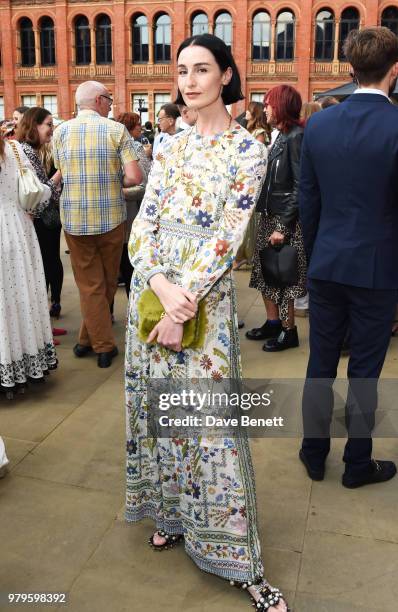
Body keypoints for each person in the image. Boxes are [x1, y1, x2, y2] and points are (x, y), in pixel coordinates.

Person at [125, 33, 287, 612]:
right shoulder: (168, 147)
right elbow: (142, 229)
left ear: (226, 76)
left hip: (202, 311)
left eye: (202, 69)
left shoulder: (248, 151)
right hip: (155, 302)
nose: (189, 81)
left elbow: (227, 237)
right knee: (159, 415)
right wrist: (163, 294)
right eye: (182, 71)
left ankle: (240, 560)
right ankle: (172, 516)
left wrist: (182, 304)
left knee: (210, 429)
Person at [298, 26, 398, 489]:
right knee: (365, 370)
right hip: (377, 267)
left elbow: (309, 200)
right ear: (393, 71)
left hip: (328, 262)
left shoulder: (319, 123)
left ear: (351, 70)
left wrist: (317, 256)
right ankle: (358, 463)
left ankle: (313, 451)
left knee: (321, 360)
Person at [52, 81, 142, 368]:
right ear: (99, 100)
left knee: (94, 284)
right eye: (109, 99)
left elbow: (62, 170)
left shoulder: (61, 131)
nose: (111, 104)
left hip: (75, 220)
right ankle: (103, 346)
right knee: (101, 283)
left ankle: (85, 339)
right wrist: (113, 180)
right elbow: (134, 177)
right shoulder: (116, 130)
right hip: (110, 218)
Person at [247, 85, 307, 352]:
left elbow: (299, 185)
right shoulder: (281, 135)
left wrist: (283, 226)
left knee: (283, 278)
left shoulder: (296, 136)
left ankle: (288, 330)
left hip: (284, 219)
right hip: (270, 215)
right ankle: (274, 322)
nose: (266, 109)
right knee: (265, 274)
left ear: (282, 106)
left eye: (270, 104)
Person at [0, 133, 57, 397]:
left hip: (13, 228)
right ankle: (25, 361)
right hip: (18, 228)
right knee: (21, 296)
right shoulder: (14, 148)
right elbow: (41, 192)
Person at [17, 108, 65, 329]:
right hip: (35, 224)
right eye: (48, 124)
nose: (51, 129)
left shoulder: (28, 151)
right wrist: (60, 174)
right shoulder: (27, 152)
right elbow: (41, 197)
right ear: (34, 126)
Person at [115, 112, 151, 296]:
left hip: (131, 217)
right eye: (137, 125)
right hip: (122, 220)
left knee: (128, 268)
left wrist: (117, 193)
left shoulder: (136, 147)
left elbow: (145, 186)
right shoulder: (133, 148)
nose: (140, 128)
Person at [234, 102, 269, 271]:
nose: (246, 112)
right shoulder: (248, 130)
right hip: (242, 180)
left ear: (255, 113)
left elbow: (256, 160)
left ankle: (247, 255)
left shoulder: (259, 133)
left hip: (251, 183)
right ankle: (242, 255)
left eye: (249, 109)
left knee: (249, 220)